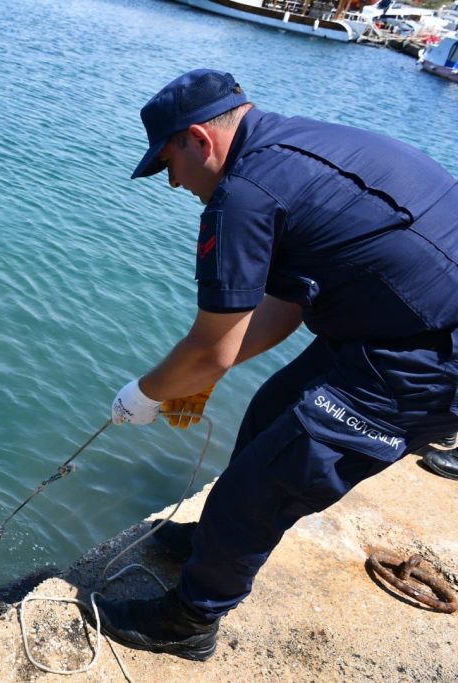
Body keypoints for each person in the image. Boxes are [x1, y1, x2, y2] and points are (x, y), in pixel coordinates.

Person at [98, 69, 458, 661]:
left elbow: (211, 345)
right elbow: (285, 305)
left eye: (168, 166)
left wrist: (145, 392)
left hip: (427, 360)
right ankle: (213, 541)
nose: (172, 184)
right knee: (272, 412)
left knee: (272, 478)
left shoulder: (242, 193)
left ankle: (189, 621)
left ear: (198, 139)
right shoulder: (297, 146)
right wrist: (197, 377)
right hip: (392, 328)